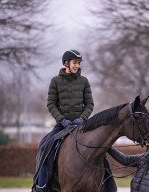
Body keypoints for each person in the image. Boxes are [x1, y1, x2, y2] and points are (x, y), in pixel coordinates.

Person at [33, 49, 94, 192]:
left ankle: (108, 185)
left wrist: (82, 118)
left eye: (78, 63)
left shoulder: (84, 81)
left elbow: (90, 104)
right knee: (44, 146)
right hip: (62, 125)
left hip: (81, 125)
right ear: (66, 63)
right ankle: (41, 185)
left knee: (99, 147)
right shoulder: (55, 81)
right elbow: (51, 104)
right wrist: (61, 120)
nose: (77, 66)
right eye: (75, 62)